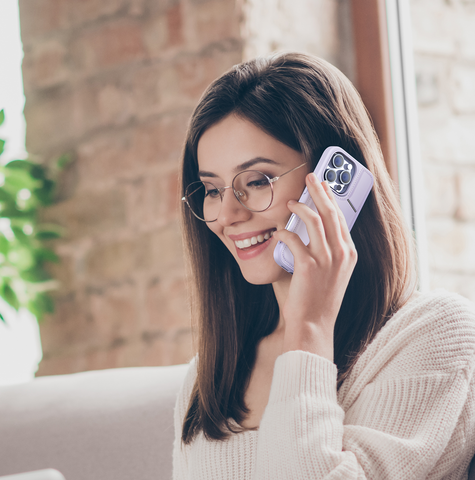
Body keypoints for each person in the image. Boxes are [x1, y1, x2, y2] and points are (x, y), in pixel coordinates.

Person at [172, 52, 475, 479]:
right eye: (212, 190)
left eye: (256, 181)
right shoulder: (211, 374)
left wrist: (309, 328)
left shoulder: (434, 333)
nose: (227, 215)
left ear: (335, 181)